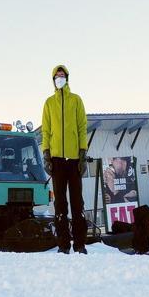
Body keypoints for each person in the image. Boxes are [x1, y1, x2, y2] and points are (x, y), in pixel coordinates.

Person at [41, 65, 88, 254]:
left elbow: (82, 127)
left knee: (77, 203)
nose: (59, 78)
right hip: (57, 161)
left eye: (62, 75)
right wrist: (46, 154)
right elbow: (46, 130)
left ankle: (80, 244)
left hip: (74, 160)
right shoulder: (49, 103)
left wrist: (83, 154)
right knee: (60, 204)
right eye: (57, 76)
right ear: (53, 80)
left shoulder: (76, 100)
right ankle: (63, 244)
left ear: (67, 78)